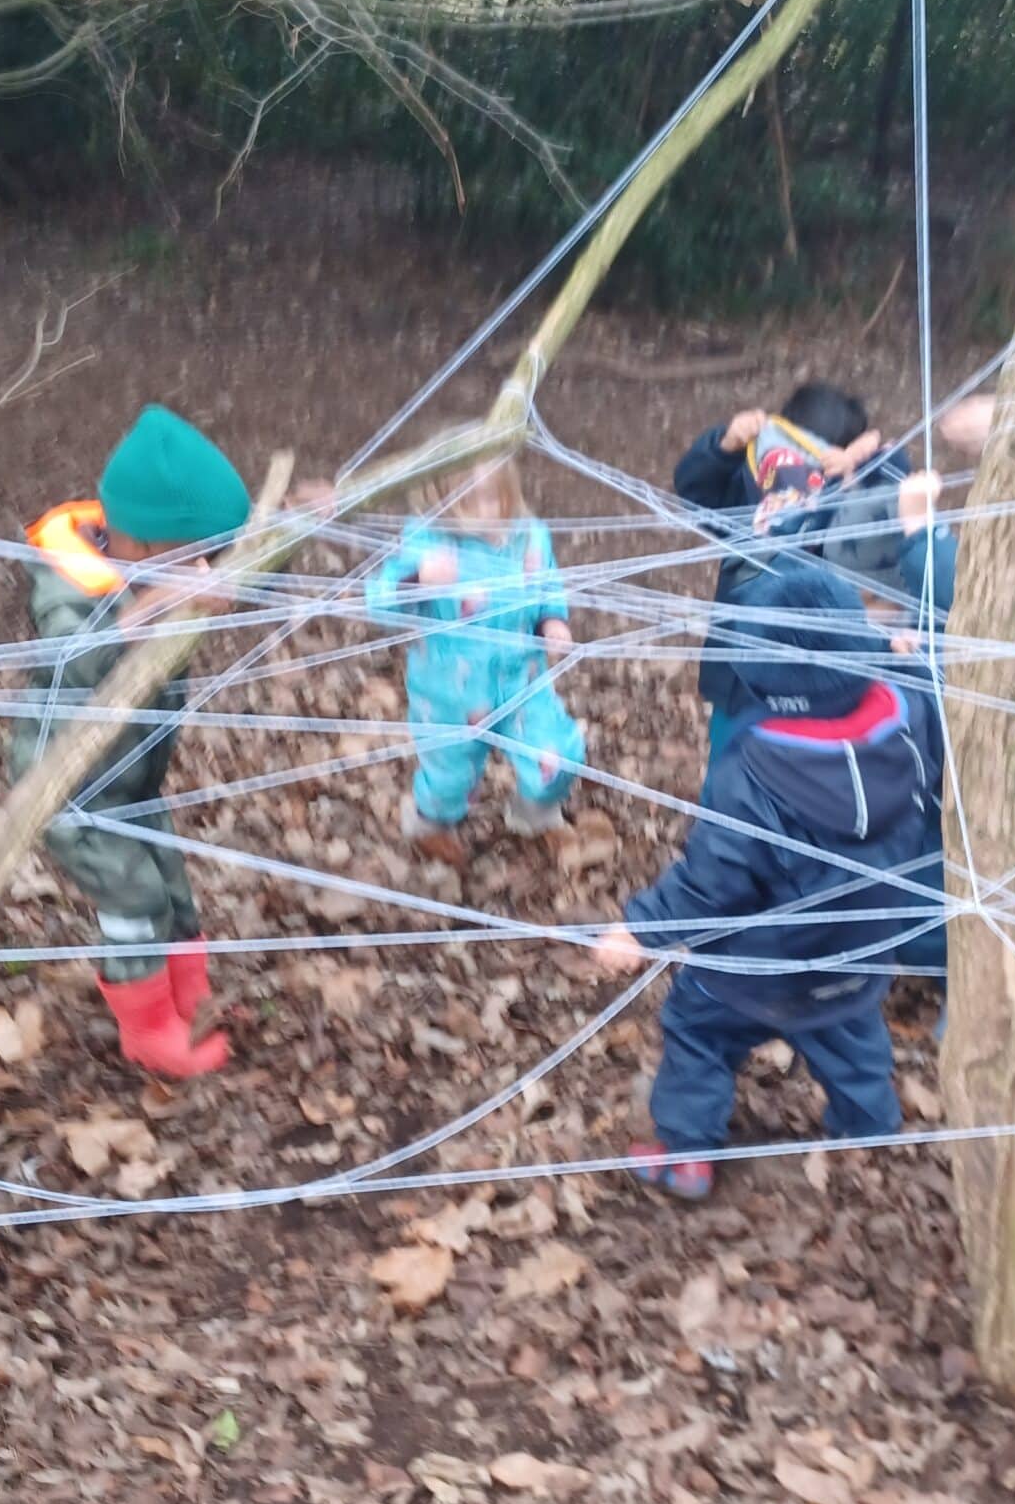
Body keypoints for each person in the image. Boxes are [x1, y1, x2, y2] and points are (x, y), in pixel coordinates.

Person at [596, 558, 937, 1200]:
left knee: (697, 1029)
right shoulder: (909, 719)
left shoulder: (753, 771)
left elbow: (713, 880)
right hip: (858, 954)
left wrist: (642, 928)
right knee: (852, 1037)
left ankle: (687, 1152)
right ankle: (870, 1130)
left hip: (755, 970)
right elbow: (922, 699)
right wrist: (905, 662)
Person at [12, 405, 259, 1078]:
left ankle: (189, 1000)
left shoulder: (159, 560)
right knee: (133, 898)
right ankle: (147, 1031)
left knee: (173, 890)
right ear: (149, 548)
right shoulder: (70, 585)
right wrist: (152, 606)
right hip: (67, 786)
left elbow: (246, 572)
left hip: (133, 779)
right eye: (197, 554)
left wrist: (300, 521)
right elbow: (75, 655)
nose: (207, 568)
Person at [674, 382, 911, 770]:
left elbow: (902, 498)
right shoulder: (755, 496)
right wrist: (723, 446)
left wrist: (865, 463)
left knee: (797, 778)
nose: (799, 474)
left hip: (821, 692)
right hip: (738, 682)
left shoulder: (853, 507)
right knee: (730, 773)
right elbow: (696, 493)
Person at [365, 445, 584, 864]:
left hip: (522, 680)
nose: (485, 511)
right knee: (449, 775)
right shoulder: (429, 543)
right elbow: (379, 601)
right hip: (450, 692)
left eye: (493, 497)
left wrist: (553, 620)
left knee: (556, 754)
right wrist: (419, 580)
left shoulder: (528, 536)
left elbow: (547, 584)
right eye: (469, 501)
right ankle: (430, 824)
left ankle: (534, 814)